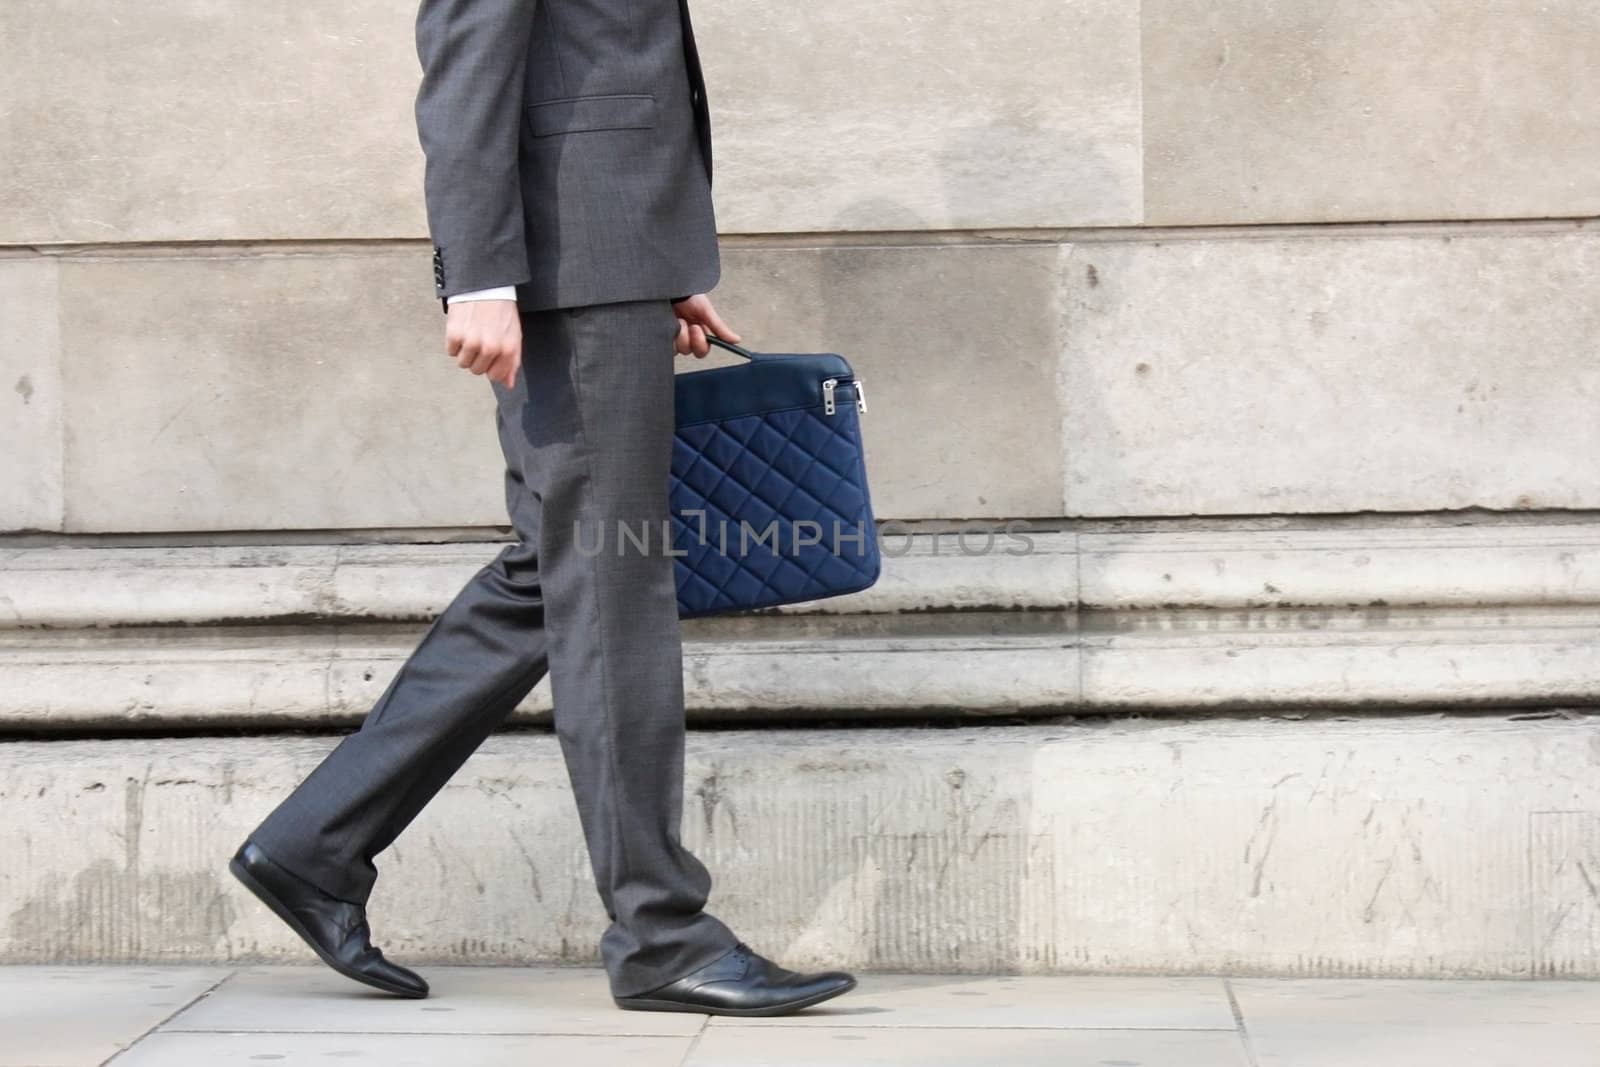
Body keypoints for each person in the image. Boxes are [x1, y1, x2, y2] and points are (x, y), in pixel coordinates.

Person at [227, 0, 858, 1017]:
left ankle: (315, 845)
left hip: (609, 260)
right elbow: (466, 71)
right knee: (614, 587)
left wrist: (659, 266)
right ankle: (660, 935)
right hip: (563, 277)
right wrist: (476, 274)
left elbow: (604, 60)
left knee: (553, 573)